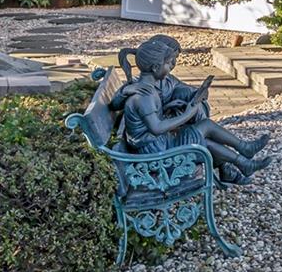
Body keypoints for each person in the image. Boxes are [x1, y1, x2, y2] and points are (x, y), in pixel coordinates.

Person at [114, 35, 268, 183]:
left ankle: (243, 159)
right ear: (155, 67)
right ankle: (243, 155)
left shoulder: (148, 88)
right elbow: (156, 127)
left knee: (204, 132)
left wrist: (188, 100)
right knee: (204, 131)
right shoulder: (143, 94)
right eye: (169, 63)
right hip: (156, 153)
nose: (171, 66)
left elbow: (154, 116)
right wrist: (187, 114)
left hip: (160, 144)